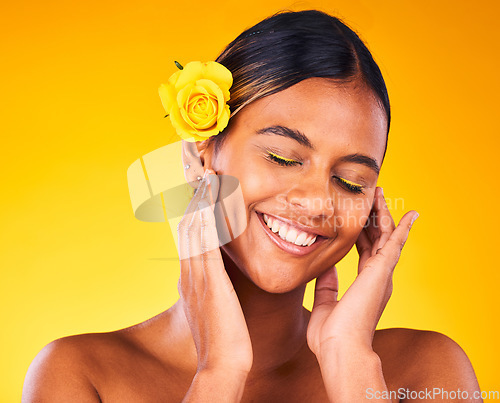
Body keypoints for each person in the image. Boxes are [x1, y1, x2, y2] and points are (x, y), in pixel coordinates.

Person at [22, 9, 481, 402]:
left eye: (350, 181)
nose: (317, 201)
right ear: (201, 154)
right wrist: (219, 372)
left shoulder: (424, 373)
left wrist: (352, 367)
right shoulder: (78, 376)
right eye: (282, 157)